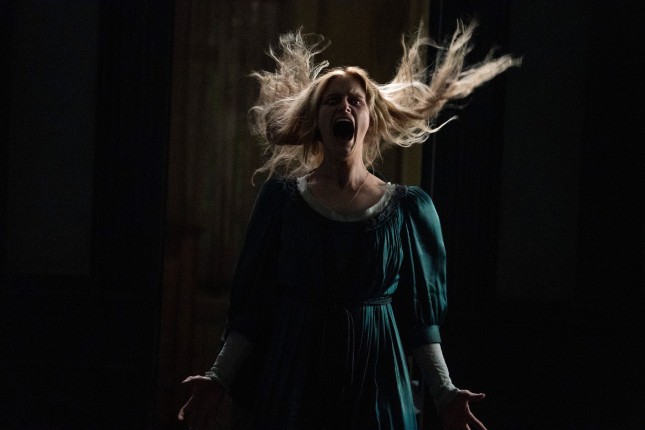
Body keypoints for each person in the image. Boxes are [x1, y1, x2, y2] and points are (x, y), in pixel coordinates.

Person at [178, 20, 520, 430]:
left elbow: (420, 321)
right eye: (332, 101)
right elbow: (253, 308)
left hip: (376, 382)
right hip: (297, 378)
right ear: (316, 121)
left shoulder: (406, 209)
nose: (344, 108)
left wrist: (445, 393)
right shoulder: (282, 202)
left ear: (369, 120)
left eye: (355, 101)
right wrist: (218, 377)